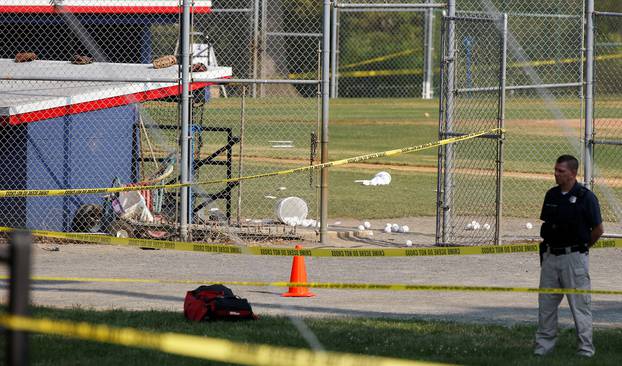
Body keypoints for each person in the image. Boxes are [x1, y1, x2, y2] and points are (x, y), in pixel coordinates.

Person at [534, 155, 604, 357]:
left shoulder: (586, 197)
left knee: (580, 307)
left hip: (573, 258)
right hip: (550, 257)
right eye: (555, 169)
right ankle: (543, 349)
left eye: (560, 171)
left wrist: (580, 248)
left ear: (573, 173)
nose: (556, 174)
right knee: (546, 306)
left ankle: (585, 350)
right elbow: (547, 224)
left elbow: (598, 229)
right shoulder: (552, 195)